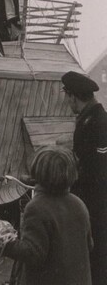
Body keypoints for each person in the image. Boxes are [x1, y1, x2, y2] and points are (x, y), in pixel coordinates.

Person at [2, 146, 92, 285]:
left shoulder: (37, 207)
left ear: (38, 172)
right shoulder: (79, 203)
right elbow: (89, 245)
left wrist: (3, 243)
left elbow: (32, 254)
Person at [61, 71, 107, 284]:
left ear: (72, 96)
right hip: (98, 200)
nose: (67, 101)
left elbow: (91, 167)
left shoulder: (94, 122)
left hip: (93, 202)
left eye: (67, 96)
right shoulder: (97, 117)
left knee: (94, 257)